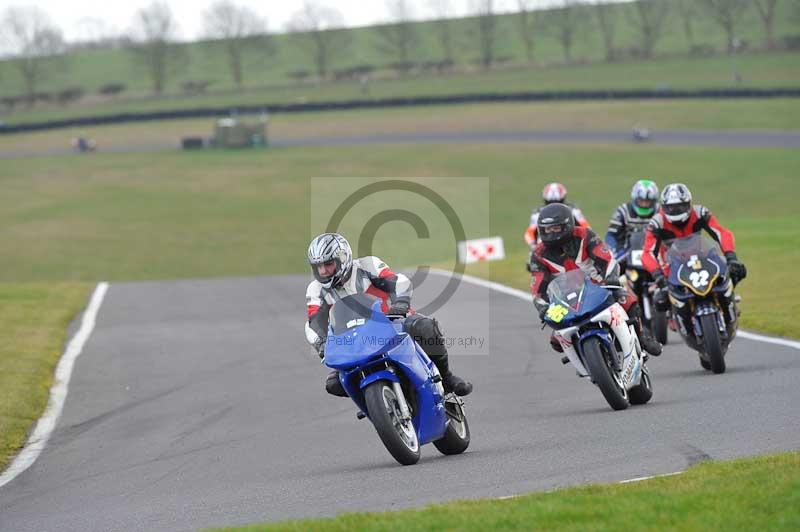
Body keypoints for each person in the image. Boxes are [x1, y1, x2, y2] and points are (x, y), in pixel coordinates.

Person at [305, 233, 473, 398]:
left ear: (342, 258)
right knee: (334, 383)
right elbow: (314, 321)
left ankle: (446, 378)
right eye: (318, 266)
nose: (323, 271)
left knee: (427, 328)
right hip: (353, 341)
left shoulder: (367, 265)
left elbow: (398, 282)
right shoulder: (316, 289)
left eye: (328, 264)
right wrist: (322, 343)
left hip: (391, 323)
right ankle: (375, 403)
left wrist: (400, 303)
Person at [528, 203, 662, 357]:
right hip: (566, 300)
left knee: (629, 302)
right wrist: (542, 307)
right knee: (556, 341)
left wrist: (611, 277)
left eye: (555, 228)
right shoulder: (538, 254)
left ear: (567, 225)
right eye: (547, 229)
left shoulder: (585, 235)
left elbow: (606, 257)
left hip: (598, 286)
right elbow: (537, 287)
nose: (551, 233)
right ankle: (585, 359)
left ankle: (642, 337)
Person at [642, 183, 746, 321]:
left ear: (689, 203)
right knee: (660, 299)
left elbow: (721, 233)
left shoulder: (700, 212)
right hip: (671, 262)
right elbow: (647, 253)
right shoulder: (657, 222)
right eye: (671, 207)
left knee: (738, 270)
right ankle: (675, 315)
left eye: (680, 206)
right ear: (663, 207)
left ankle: (728, 299)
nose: (675, 210)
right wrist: (658, 275)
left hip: (700, 255)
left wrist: (731, 257)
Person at [604, 179, 660, 258]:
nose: (644, 204)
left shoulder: (659, 212)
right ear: (635, 198)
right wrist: (617, 251)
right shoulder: (622, 211)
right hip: (626, 255)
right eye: (641, 201)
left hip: (654, 254)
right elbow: (611, 235)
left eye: (647, 202)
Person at [524, 182, 590, 248]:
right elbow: (530, 233)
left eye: (558, 203)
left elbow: (586, 228)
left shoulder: (574, 211)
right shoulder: (537, 214)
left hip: (570, 246)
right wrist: (533, 245)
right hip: (544, 247)